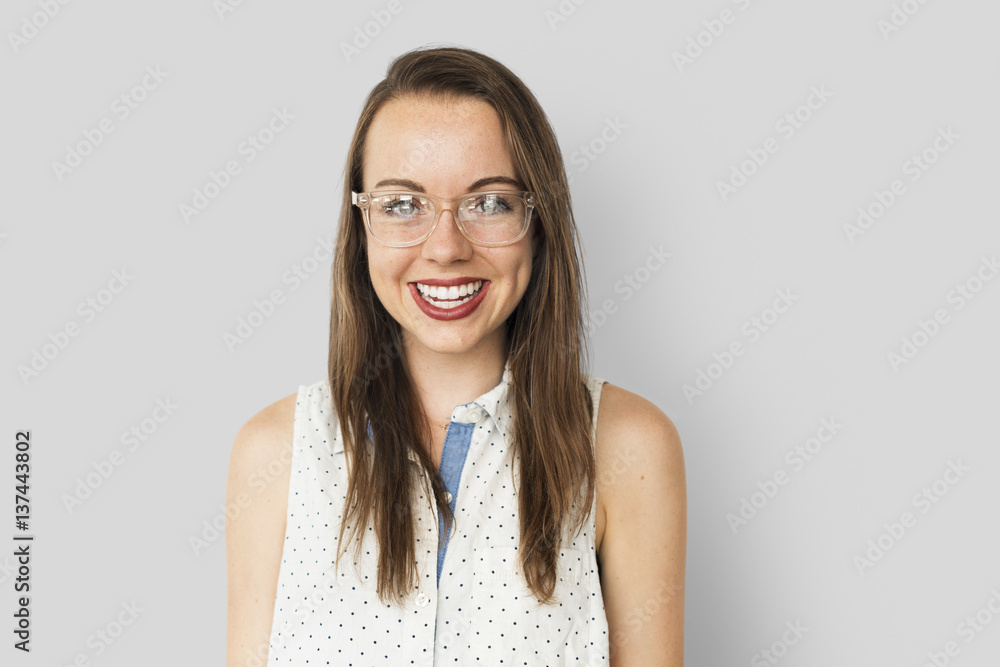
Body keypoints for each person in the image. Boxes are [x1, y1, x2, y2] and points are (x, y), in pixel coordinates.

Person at [225, 44, 686, 666]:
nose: (445, 248)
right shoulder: (274, 453)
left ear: (537, 217)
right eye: (401, 205)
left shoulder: (628, 446)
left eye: (490, 202)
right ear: (361, 226)